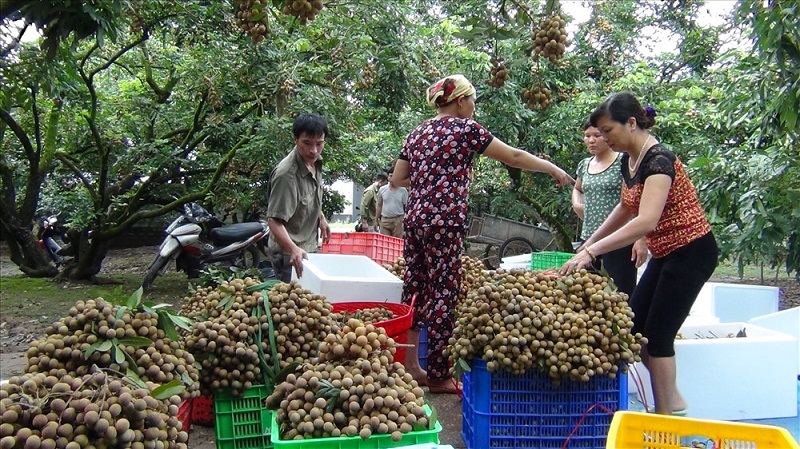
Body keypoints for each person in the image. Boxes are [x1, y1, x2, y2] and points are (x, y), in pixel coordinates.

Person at [394, 74, 574, 393]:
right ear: (461, 100)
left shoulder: (417, 133)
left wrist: (428, 182)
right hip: (444, 221)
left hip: (416, 219)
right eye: (473, 100)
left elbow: (398, 177)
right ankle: (438, 375)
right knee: (443, 291)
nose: (474, 106)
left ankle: (409, 366)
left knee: (415, 286)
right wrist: (551, 168)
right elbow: (514, 157)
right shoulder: (466, 130)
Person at [559, 92, 718, 415]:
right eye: (600, 132)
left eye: (608, 130)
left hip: (691, 252)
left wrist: (593, 252)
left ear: (631, 123)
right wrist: (588, 245)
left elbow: (646, 219)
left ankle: (665, 417)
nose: (604, 138)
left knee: (658, 338)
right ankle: (673, 402)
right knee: (635, 331)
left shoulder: (659, 160)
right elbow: (624, 207)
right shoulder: (630, 161)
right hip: (667, 253)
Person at [571, 119, 648, 297]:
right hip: (589, 238)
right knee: (585, 294)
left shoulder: (624, 163)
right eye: (587, 136)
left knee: (620, 295)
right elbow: (578, 187)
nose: (591, 140)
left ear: (607, 136)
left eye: (597, 135)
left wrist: (641, 238)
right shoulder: (585, 164)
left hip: (619, 241)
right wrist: (577, 204)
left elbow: (638, 199)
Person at [265, 113, 332, 282]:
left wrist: (320, 217)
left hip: (308, 246)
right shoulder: (286, 175)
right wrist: (293, 249)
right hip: (289, 253)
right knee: (292, 303)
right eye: (307, 143)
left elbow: (309, 196)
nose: (314, 150)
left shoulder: (315, 162)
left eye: (319, 143)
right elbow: (274, 220)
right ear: (296, 139)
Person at [376, 165, 408, 238]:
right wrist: (376, 219)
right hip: (385, 220)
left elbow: (406, 206)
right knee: (384, 242)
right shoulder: (382, 189)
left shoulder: (403, 190)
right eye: (390, 176)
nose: (391, 178)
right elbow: (379, 205)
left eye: (394, 176)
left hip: (398, 220)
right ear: (388, 177)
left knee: (397, 242)